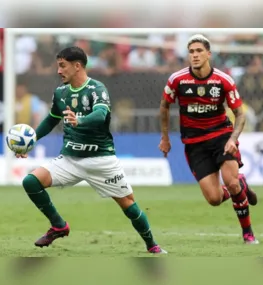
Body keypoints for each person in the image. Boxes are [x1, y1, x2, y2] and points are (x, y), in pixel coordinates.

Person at [16, 46, 166, 254]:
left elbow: (101, 114)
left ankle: (152, 245)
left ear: (77, 66)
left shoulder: (97, 89)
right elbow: (52, 119)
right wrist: (30, 141)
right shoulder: (60, 92)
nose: (59, 71)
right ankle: (59, 225)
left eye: (62, 66)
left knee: (128, 205)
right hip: (70, 159)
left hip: (101, 159)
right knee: (30, 181)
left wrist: (80, 120)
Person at [159, 34, 259, 244]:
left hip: (221, 137)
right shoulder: (177, 79)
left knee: (230, 183)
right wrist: (165, 137)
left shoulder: (223, 80)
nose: (194, 55)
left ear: (208, 54)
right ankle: (241, 184)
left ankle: (248, 233)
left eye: (199, 51)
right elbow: (164, 106)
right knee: (214, 199)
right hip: (194, 144)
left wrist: (233, 139)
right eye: (191, 52)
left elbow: (239, 114)